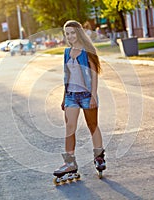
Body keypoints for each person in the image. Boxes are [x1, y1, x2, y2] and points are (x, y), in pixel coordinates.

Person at [53, 20, 106, 180]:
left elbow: (94, 75)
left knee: (92, 126)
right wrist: (64, 97)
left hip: (86, 95)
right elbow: (67, 76)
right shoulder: (66, 52)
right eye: (67, 33)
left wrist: (93, 96)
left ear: (79, 33)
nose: (70, 36)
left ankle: (99, 156)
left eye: (72, 32)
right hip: (71, 95)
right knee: (70, 127)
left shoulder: (87, 51)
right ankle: (70, 163)